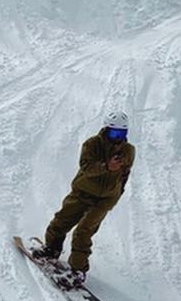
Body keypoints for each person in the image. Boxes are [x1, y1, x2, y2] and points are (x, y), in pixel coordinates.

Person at [35, 111, 135, 284]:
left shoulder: (128, 150)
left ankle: (78, 271)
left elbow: (125, 174)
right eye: (114, 133)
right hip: (82, 192)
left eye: (122, 133)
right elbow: (86, 167)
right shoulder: (92, 144)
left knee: (83, 232)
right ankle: (51, 249)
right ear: (106, 129)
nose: (118, 137)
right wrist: (106, 166)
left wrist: (117, 193)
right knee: (61, 222)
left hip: (104, 200)